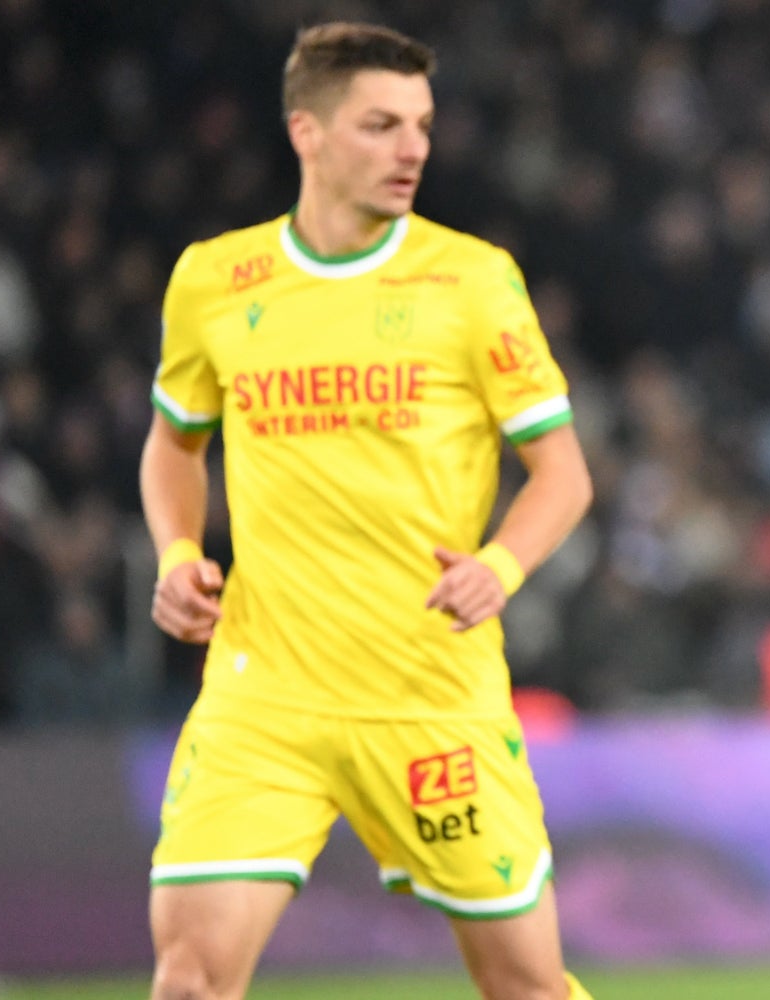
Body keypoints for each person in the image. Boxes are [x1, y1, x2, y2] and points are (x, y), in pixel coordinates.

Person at [139, 23, 594, 1000]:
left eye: (421, 125)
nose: (412, 148)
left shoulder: (472, 280)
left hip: (430, 693)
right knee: (188, 980)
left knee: (525, 987)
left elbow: (562, 472)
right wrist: (175, 552)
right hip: (264, 697)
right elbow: (174, 444)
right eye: (381, 125)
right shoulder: (214, 280)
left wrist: (499, 567)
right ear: (305, 131)